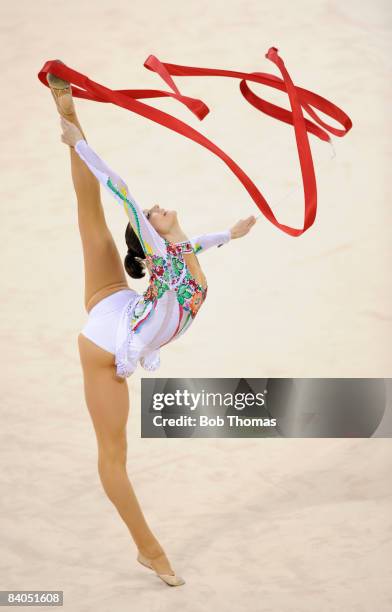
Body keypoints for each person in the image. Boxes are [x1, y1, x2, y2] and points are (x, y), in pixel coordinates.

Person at [47, 66, 256, 587]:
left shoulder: (178, 258)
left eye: (157, 211)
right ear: (150, 240)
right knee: (113, 459)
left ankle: (69, 116)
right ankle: (150, 549)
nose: (156, 209)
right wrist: (82, 146)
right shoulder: (166, 257)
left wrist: (228, 234)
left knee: (87, 216)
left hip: (119, 303)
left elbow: (191, 249)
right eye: (153, 214)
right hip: (106, 341)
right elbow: (118, 188)